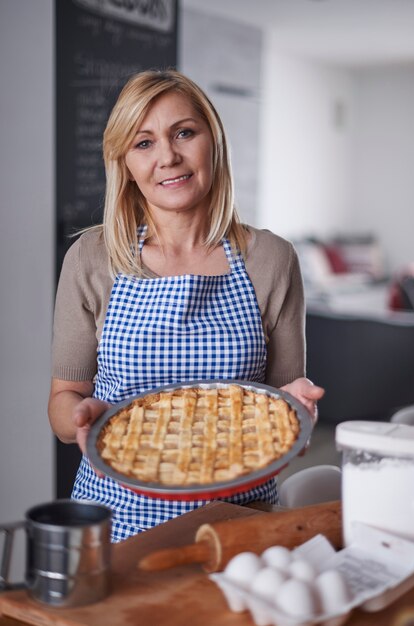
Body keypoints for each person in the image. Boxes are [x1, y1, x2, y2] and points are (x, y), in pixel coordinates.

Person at [48, 69, 324, 542]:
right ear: (125, 163)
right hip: (116, 524)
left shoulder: (272, 259)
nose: (168, 157)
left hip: (241, 523)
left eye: (184, 133)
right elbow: (62, 400)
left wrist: (299, 411)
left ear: (212, 140)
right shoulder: (92, 258)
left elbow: (283, 410)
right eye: (144, 142)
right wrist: (80, 420)